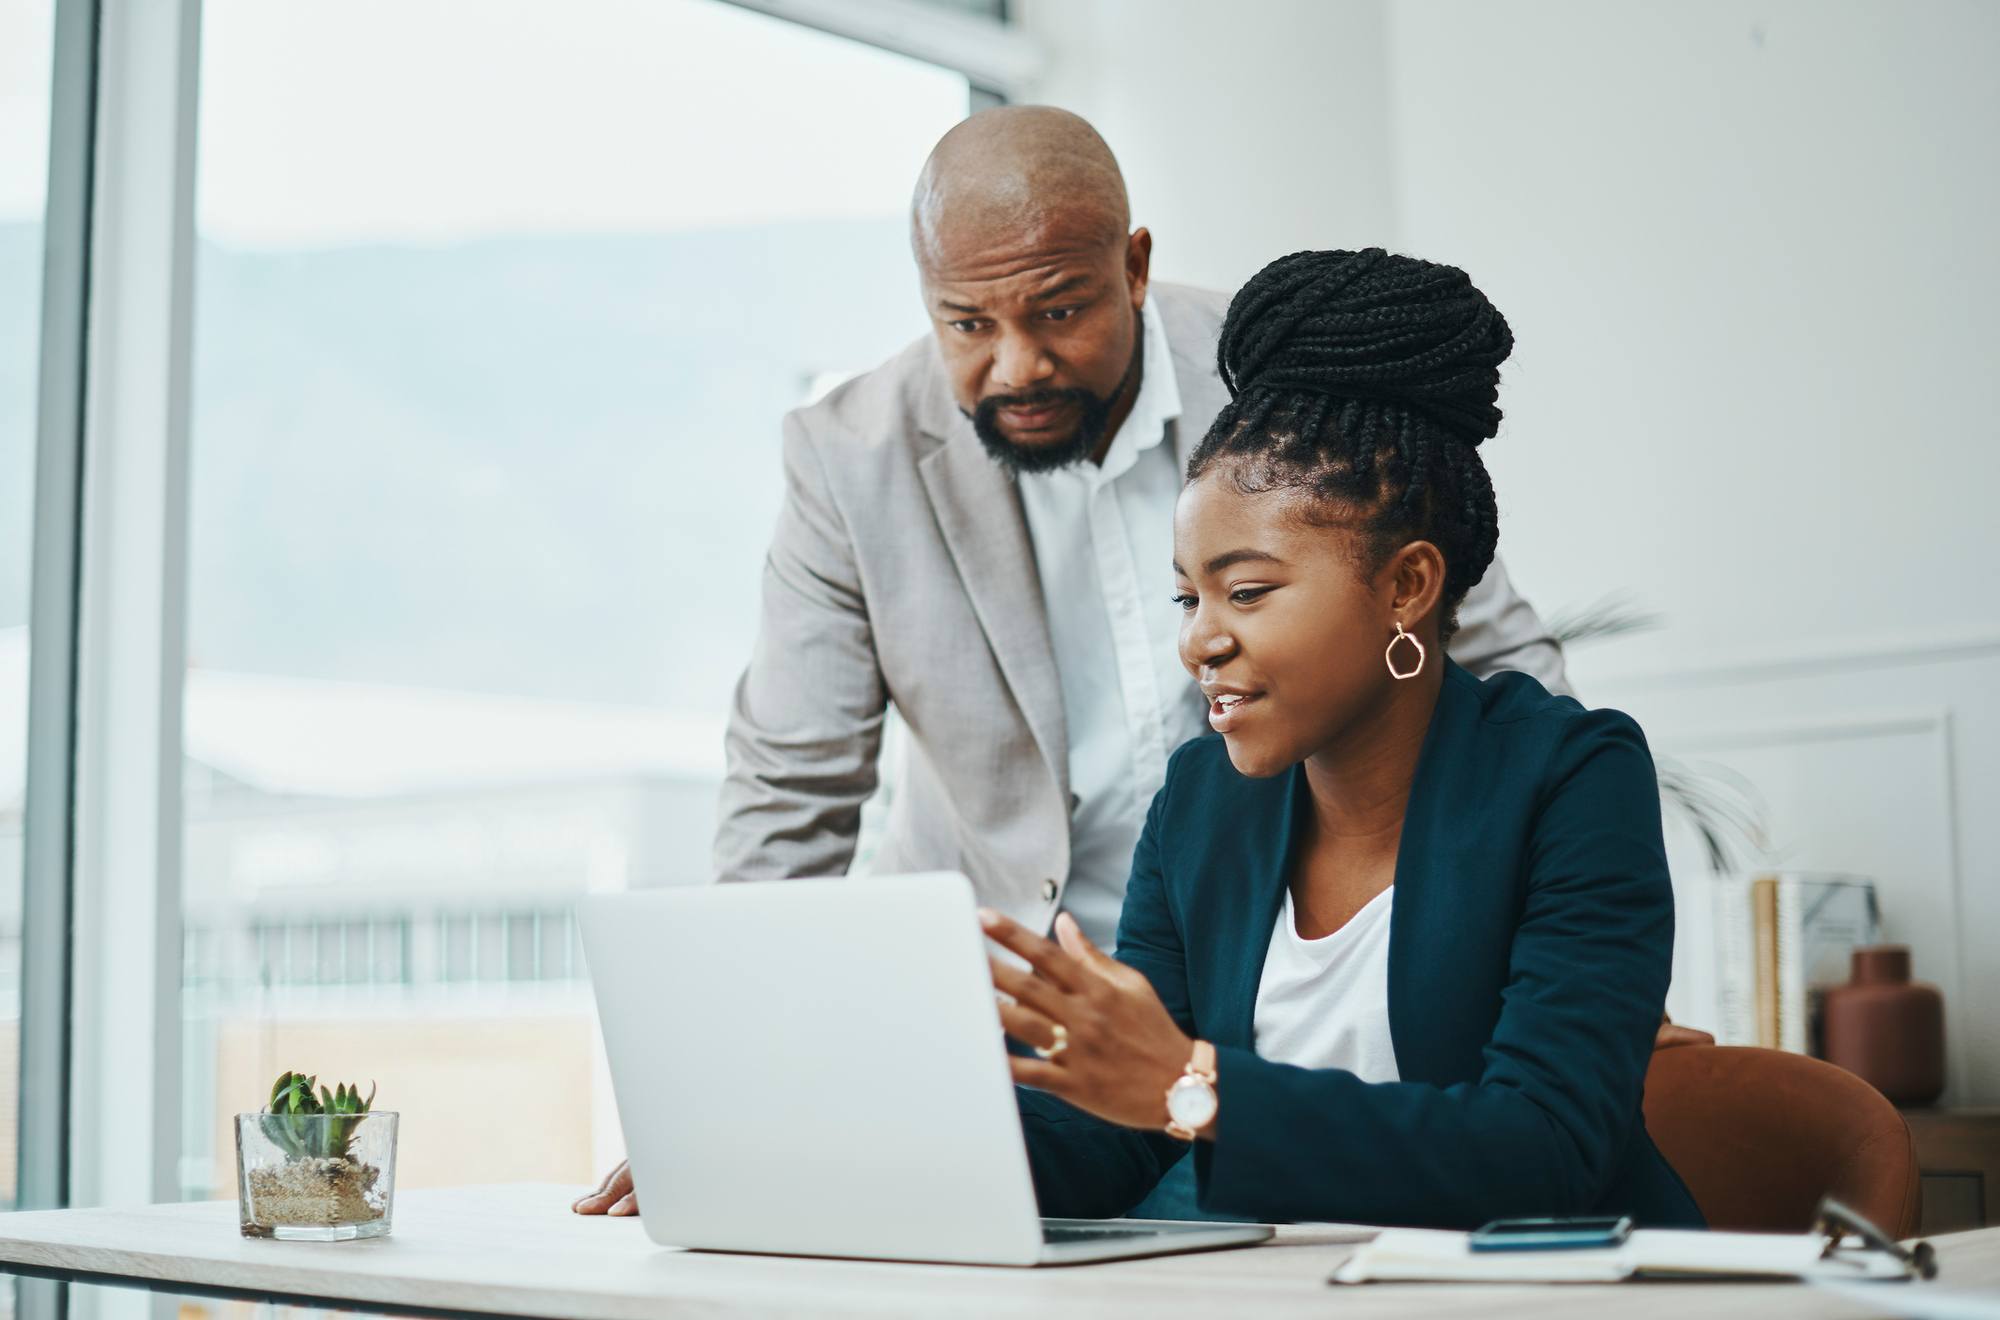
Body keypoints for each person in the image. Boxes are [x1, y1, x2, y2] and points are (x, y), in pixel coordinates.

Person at [576, 108, 1630, 1221]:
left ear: (1133, 268)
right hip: (1081, 1008)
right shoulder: (856, 460)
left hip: (1335, 1037)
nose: (1015, 363)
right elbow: (791, 791)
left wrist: (1555, 944)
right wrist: (766, 1128)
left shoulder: (1285, 391)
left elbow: (1480, 628)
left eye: (1060, 310)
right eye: (967, 323)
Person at [976, 247, 1705, 1227]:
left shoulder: (1569, 777)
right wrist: (939, 1132)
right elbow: (1121, 1131)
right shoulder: (1199, 803)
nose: (1199, 637)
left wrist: (1191, 1084)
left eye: (1245, 591)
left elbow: (1541, 1151)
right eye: (1186, 596)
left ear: (1404, 586)